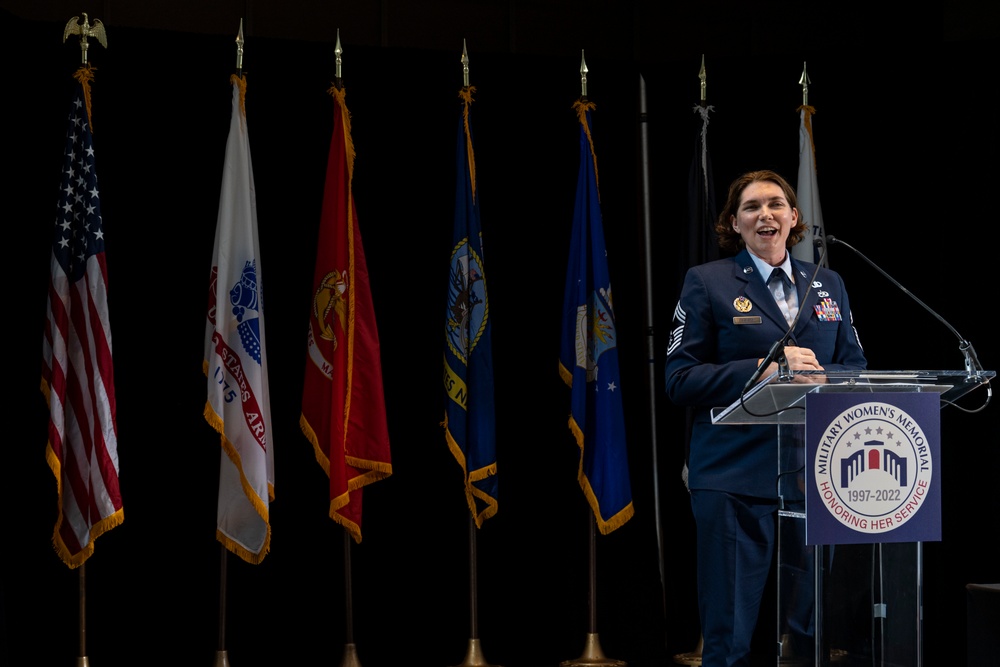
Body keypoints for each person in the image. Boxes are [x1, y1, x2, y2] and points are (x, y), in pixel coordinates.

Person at [664, 169, 867, 666]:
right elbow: (679, 379)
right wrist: (762, 370)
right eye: (751, 207)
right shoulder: (707, 282)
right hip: (733, 475)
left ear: (794, 217)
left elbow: (855, 369)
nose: (765, 214)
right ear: (734, 223)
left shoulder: (828, 284)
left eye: (776, 204)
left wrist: (827, 380)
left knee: (808, 633)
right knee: (730, 633)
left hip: (813, 476)